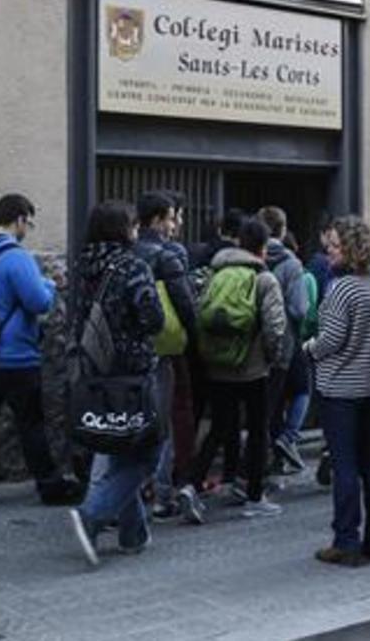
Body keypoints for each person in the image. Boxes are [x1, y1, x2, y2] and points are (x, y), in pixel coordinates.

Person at [0, 193, 80, 511]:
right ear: (19, 219)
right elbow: (39, 302)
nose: (28, 229)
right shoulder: (16, 257)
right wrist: (48, 283)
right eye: (29, 223)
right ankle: (49, 485)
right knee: (31, 423)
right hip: (16, 357)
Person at [67, 201, 165, 566]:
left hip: (95, 370)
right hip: (132, 372)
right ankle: (91, 515)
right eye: (134, 226)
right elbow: (153, 319)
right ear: (122, 230)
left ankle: (132, 533)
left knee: (123, 446)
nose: (137, 231)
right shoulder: (132, 266)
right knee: (147, 451)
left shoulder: (83, 266)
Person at [305, 216, 370, 567]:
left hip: (341, 388)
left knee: (345, 465)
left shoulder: (342, 288)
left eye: (335, 246)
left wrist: (308, 349)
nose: (329, 253)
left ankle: (346, 541)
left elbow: (330, 340)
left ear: (351, 249)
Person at [183, 219, 286, 520]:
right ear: (263, 248)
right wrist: (271, 357)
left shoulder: (218, 273)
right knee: (257, 430)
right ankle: (254, 495)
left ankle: (191, 483)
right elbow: (274, 327)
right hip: (253, 369)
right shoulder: (264, 279)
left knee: (219, 427)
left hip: (218, 366)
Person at [131, 191, 198, 520]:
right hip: (167, 348)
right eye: (171, 217)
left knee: (140, 416)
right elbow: (185, 304)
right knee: (170, 418)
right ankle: (162, 491)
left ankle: (137, 487)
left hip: (132, 349)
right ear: (157, 219)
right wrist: (194, 335)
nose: (174, 224)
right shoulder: (168, 254)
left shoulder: (127, 253)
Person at [257, 206, 308, 474]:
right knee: (296, 389)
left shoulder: (253, 257)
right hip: (285, 340)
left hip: (255, 343)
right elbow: (300, 308)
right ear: (283, 229)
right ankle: (281, 444)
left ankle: (265, 457)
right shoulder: (291, 263)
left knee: (267, 404)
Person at [272, 230, 317, 473]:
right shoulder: (294, 268)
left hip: (262, 344)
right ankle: (288, 437)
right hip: (290, 339)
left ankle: (275, 451)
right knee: (302, 389)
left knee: (274, 400)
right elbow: (303, 310)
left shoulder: (256, 259)